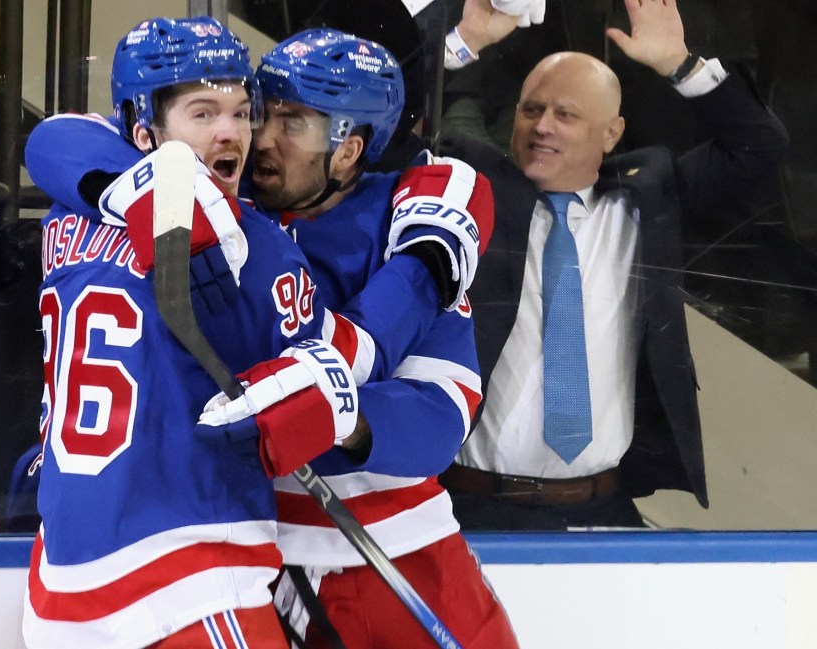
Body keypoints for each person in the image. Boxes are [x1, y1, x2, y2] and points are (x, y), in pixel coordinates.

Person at [27, 25, 517, 649]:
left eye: (296, 124)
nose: (259, 138)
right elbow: (67, 137)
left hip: (397, 550)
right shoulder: (225, 203)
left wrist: (347, 413)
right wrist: (135, 184)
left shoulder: (404, 226)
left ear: (348, 150)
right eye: (266, 111)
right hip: (266, 562)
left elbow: (443, 413)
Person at [435, 0, 789, 529]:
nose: (543, 127)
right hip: (467, 506)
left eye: (566, 115)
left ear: (611, 134)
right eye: (531, 110)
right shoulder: (469, 190)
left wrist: (680, 65)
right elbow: (386, 136)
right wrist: (458, 46)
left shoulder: (649, 200)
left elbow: (759, 147)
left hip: (603, 507)